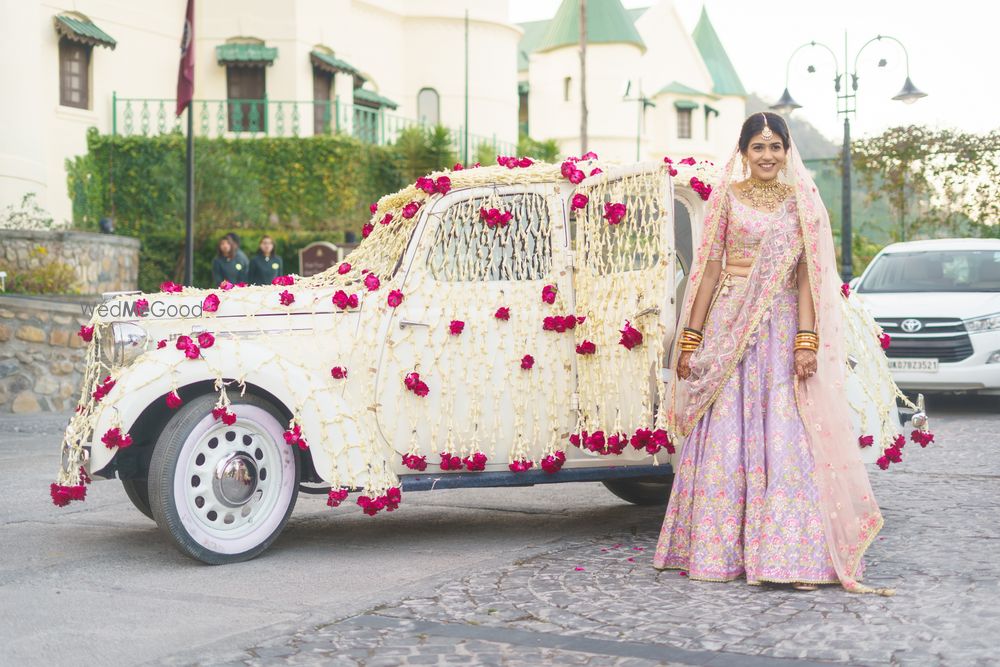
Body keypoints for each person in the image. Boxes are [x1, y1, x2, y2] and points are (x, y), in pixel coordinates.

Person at [654, 112, 892, 595]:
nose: (766, 155)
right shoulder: (727, 197)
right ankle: (718, 552)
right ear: (742, 152)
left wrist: (807, 340)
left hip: (781, 325)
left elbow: (807, 274)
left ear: (787, 153)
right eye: (757, 147)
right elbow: (709, 269)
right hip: (729, 322)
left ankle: (791, 554)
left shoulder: (801, 203)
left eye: (775, 146)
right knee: (726, 433)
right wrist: (692, 338)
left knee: (787, 436)